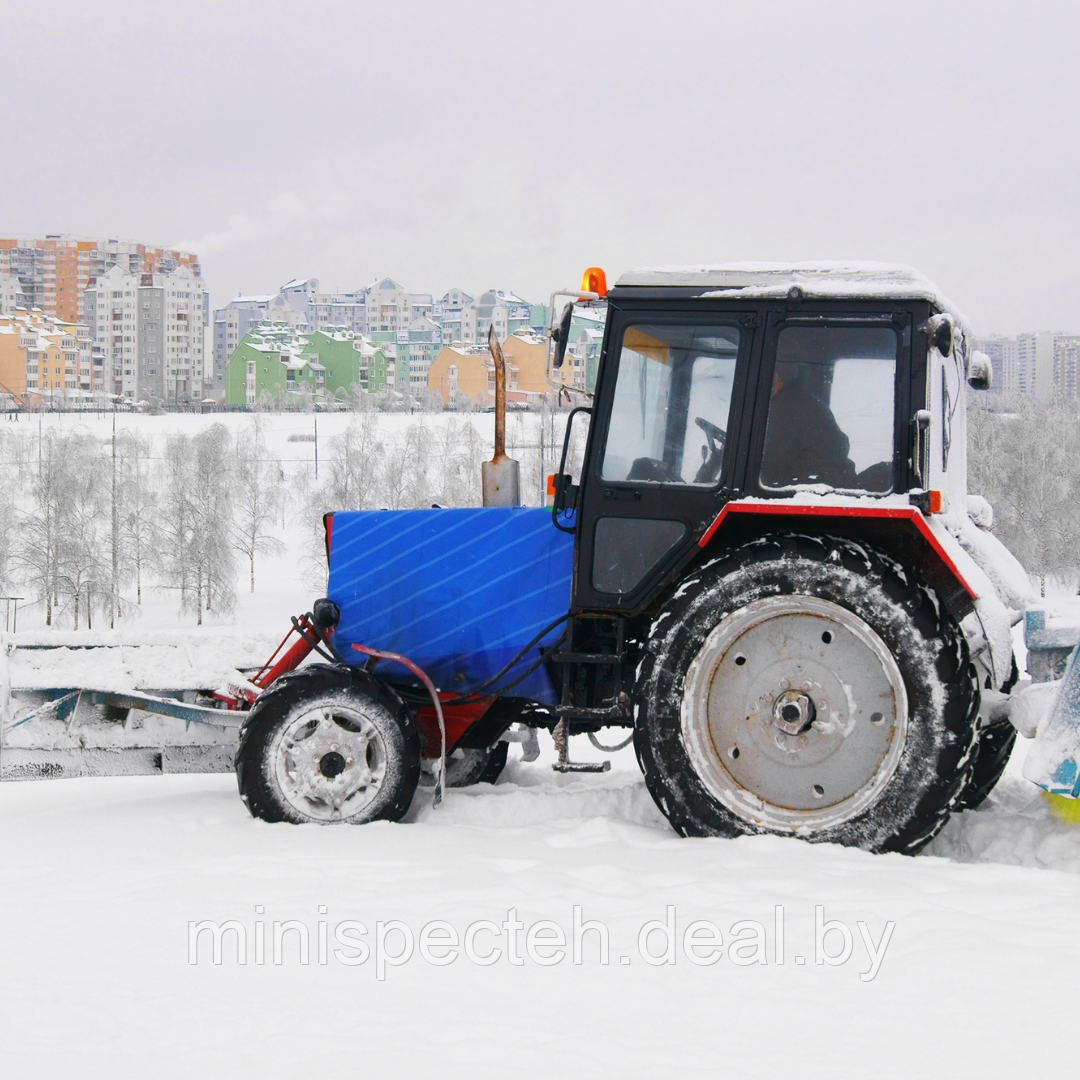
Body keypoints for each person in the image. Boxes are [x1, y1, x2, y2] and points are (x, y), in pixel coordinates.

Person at [760, 347, 858, 490]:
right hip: (820, 481)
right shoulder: (799, 401)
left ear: (774, 377)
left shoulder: (786, 409)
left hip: (814, 487)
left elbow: (773, 461)